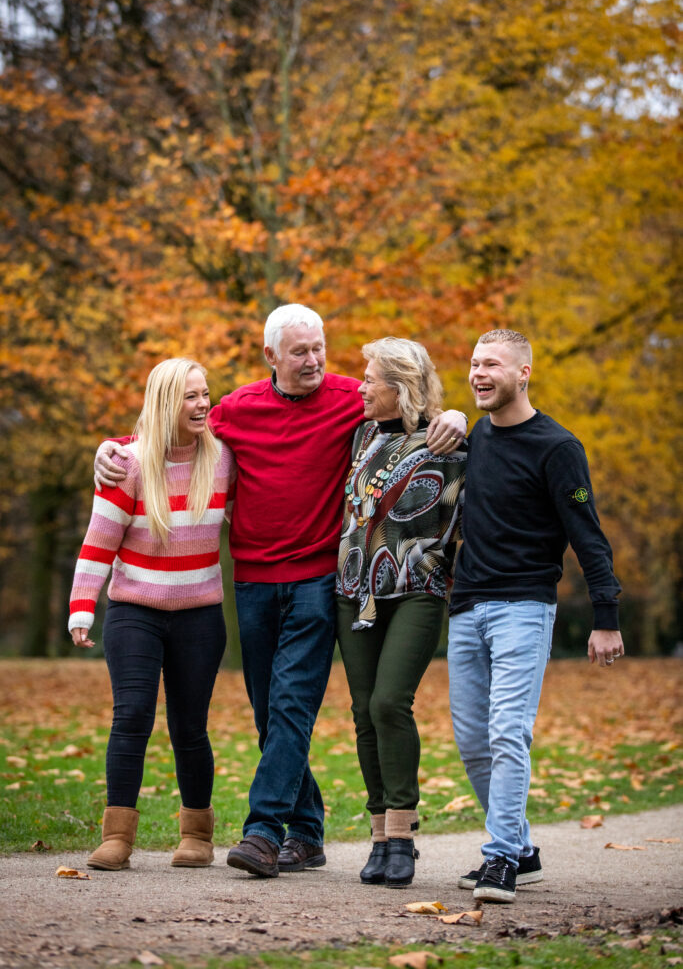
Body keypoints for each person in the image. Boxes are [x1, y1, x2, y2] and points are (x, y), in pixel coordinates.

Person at [94, 305, 469, 877]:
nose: (314, 360)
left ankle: (264, 831)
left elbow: (417, 411)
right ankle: (310, 830)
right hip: (252, 582)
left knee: (292, 707)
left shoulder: (354, 399)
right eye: (300, 352)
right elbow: (172, 428)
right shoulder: (237, 410)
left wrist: (460, 417)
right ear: (271, 356)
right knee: (270, 714)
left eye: (319, 347)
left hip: (319, 581)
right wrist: (112, 448)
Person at [447, 329, 624, 904]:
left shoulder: (558, 447)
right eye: (474, 363)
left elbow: (587, 536)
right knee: (473, 740)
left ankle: (499, 858)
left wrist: (607, 615)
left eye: (491, 364)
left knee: (507, 732)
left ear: (524, 372)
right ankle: (522, 851)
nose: (478, 373)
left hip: (524, 607)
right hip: (467, 606)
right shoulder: (477, 435)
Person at [69, 358, 235, 871]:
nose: (203, 404)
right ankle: (117, 834)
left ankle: (197, 835)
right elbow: (99, 543)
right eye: (190, 396)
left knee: (190, 725)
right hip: (134, 610)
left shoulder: (225, 459)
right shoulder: (128, 463)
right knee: (133, 715)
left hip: (199, 616)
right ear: (165, 402)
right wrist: (82, 608)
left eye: (205, 394)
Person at [336, 338, 466, 888]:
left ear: (401, 386)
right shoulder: (359, 433)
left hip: (418, 587)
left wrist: (458, 414)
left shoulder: (449, 440)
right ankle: (380, 837)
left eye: (370, 380)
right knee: (364, 710)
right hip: (352, 589)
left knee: (391, 701)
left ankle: (404, 834)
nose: (361, 388)